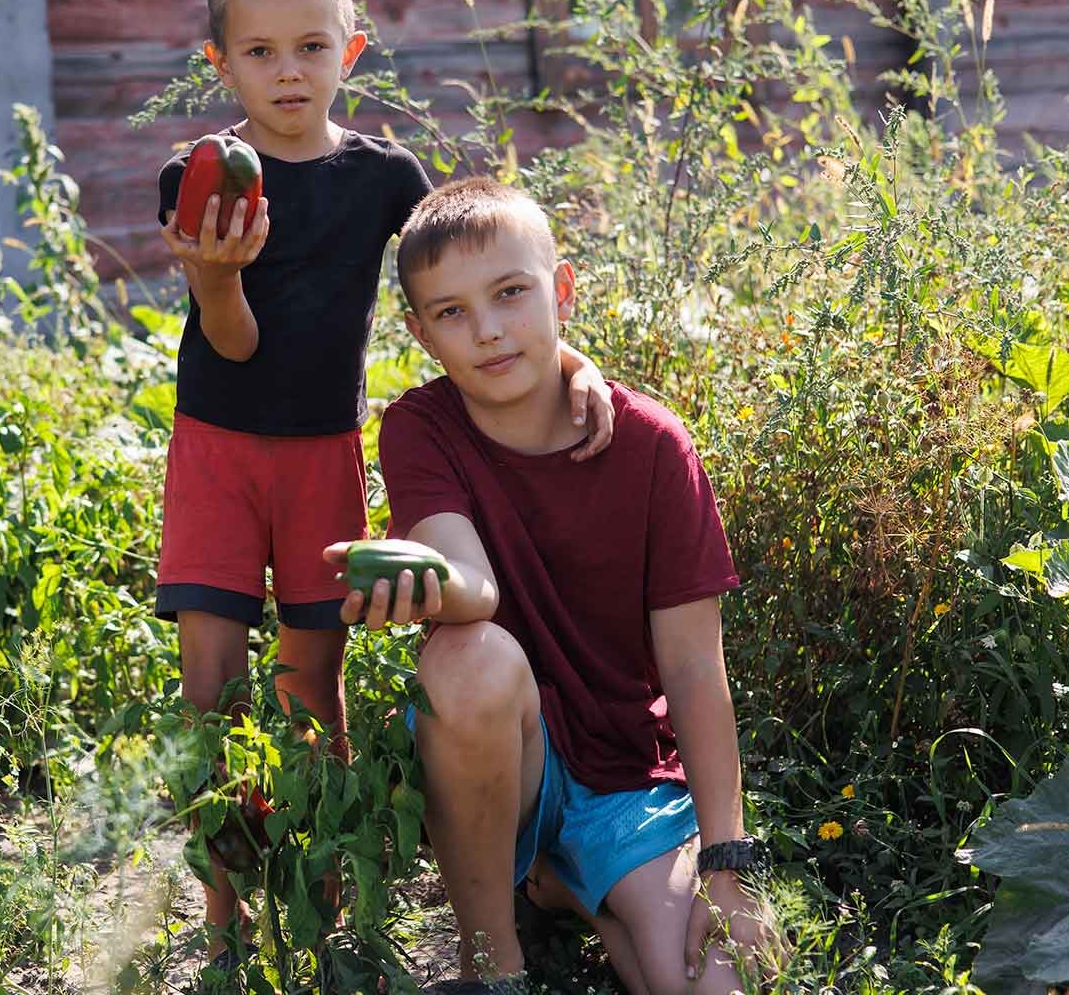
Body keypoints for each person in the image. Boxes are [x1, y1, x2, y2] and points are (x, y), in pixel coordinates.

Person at [152, 0, 620, 967]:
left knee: (312, 684)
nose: (288, 72)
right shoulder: (202, 177)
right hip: (218, 450)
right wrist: (218, 279)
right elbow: (234, 345)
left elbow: (459, 284)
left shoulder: (384, 179)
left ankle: (323, 903)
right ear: (218, 63)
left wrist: (570, 360)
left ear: (351, 50)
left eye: (311, 46)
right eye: (261, 52)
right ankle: (225, 924)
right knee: (212, 681)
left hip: (322, 452)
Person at [325, 178, 774, 994]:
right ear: (421, 335)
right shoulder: (421, 429)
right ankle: (492, 961)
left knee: (705, 984)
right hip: (505, 759)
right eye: (453, 313)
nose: (489, 331)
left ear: (561, 290)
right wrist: (420, 579)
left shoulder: (652, 448)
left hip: (625, 777)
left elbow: (695, 669)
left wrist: (728, 866)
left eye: (510, 294)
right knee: (470, 658)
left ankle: (562, 882)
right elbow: (474, 587)